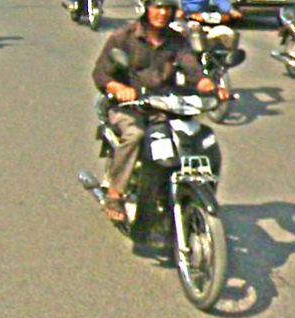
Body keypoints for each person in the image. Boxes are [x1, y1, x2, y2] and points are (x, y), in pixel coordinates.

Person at [92, 0, 229, 222]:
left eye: (167, 8)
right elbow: (101, 74)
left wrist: (208, 85)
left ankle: (192, 192)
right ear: (146, 9)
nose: (162, 13)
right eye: (157, 7)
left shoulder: (176, 40)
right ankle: (115, 195)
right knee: (135, 135)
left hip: (164, 104)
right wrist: (118, 88)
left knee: (201, 138)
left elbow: (192, 68)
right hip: (129, 106)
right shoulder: (123, 37)